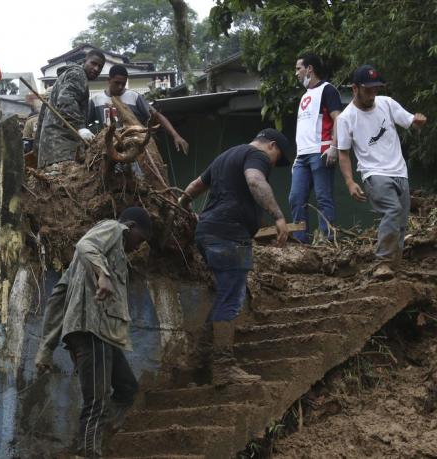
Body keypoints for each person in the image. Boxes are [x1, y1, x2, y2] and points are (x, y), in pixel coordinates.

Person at [35, 207, 152, 458]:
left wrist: (46, 348)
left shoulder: (81, 264)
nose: (138, 247)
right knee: (96, 403)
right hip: (92, 331)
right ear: (129, 226)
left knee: (127, 388)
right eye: (140, 239)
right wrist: (104, 274)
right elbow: (85, 243)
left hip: (101, 334)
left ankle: (96, 435)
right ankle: (88, 451)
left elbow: (58, 297)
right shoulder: (112, 228)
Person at [179, 128, 292, 387]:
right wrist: (278, 216)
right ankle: (223, 367)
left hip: (207, 232)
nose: (273, 164)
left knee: (224, 294)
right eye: (277, 158)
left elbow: (194, 187)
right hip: (229, 235)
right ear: (271, 146)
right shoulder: (257, 156)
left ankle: (201, 362)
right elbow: (254, 181)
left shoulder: (225, 156)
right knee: (231, 298)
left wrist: (180, 208)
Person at [337, 65, 427, 279]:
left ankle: (393, 269)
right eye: (368, 90)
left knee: (402, 223)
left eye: (376, 88)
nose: (373, 94)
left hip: (399, 172)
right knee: (392, 210)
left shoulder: (386, 103)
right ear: (355, 88)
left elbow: (410, 121)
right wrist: (350, 182)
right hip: (373, 173)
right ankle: (382, 263)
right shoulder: (346, 118)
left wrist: (418, 121)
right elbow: (343, 154)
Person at [289, 53, 343, 243]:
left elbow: (338, 118)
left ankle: (326, 243)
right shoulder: (305, 95)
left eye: (298, 68)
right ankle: (299, 242)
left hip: (321, 152)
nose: (296, 73)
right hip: (302, 156)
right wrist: (297, 156)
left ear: (309, 69)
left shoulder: (328, 90)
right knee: (296, 198)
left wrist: (334, 147)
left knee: (323, 198)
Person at [88, 64, 189, 154]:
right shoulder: (96, 100)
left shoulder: (134, 97)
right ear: (109, 80)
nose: (120, 87)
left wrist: (176, 136)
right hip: (109, 150)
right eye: (117, 83)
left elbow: (157, 116)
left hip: (133, 148)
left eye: (123, 84)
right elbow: (83, 123)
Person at [37, 50, 106, 168]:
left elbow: (43, 113)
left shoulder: (67, 75)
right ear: (84, 61)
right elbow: (66, 101)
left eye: (100, 67)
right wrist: (80, 128)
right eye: (93, 63)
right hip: (61, 149)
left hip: (50, 149)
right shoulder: (78, 75)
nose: (96, 69)